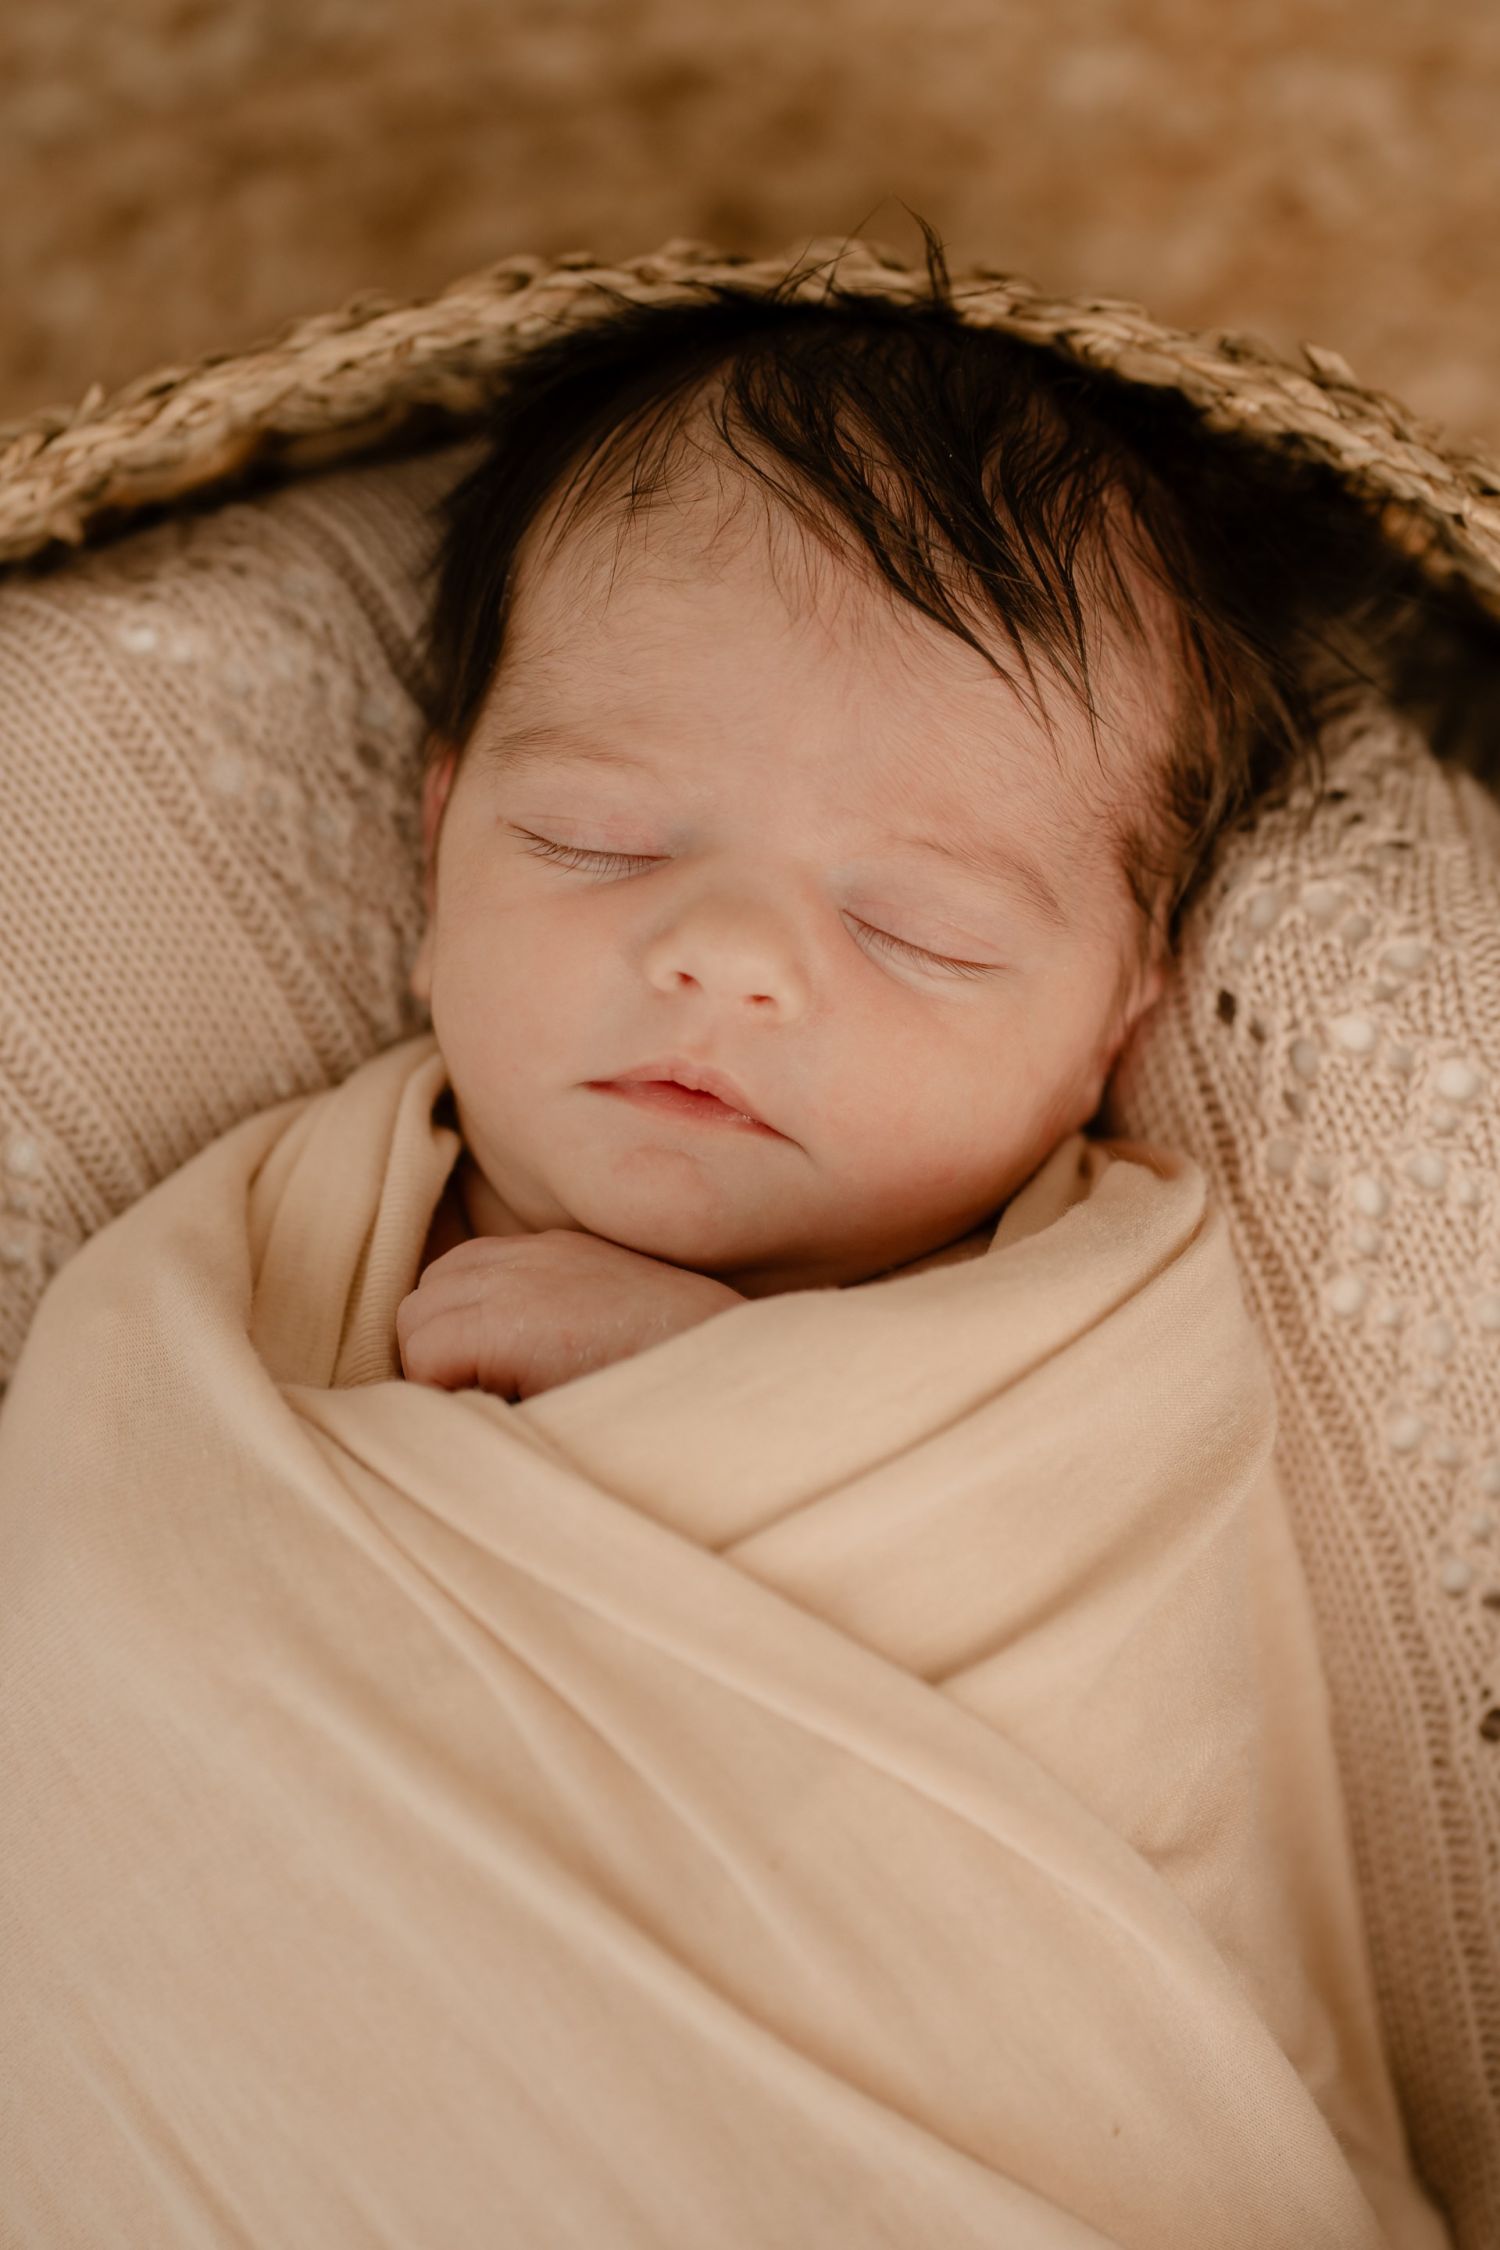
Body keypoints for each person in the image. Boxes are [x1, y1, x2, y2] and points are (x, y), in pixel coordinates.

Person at [395, 230, 1396, 1400]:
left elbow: (1071, 1564)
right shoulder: (263, 1213)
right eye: (594, 838)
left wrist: (718, 1383)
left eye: (920, 929)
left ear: (1108, 1032)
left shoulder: (1092, 1312)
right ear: (439, 846)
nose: (729, 956)